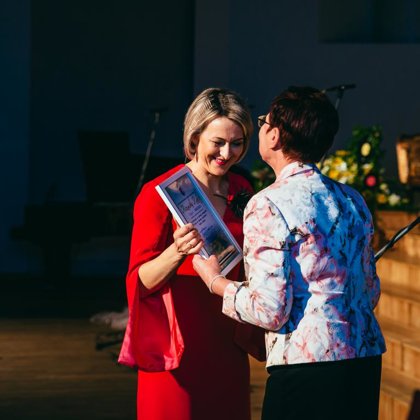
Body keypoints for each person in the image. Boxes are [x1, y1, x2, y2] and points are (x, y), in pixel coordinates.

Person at [193, 86, 387, 420]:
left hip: (307, 365)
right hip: (363, 359)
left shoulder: (268, 203)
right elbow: (369, 291)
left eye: (264, 122)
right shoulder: (352, 198)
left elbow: (270, 310)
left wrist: (216, 282)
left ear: (275, 136)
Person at [118, 87, 263, 420]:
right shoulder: (159, 194)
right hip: (178, 345)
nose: (227, 153)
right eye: (218, 142)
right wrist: (176, 251)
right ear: (195, 138)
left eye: (237, 143)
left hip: (227, 341)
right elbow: (139, 282)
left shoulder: (241, 189)